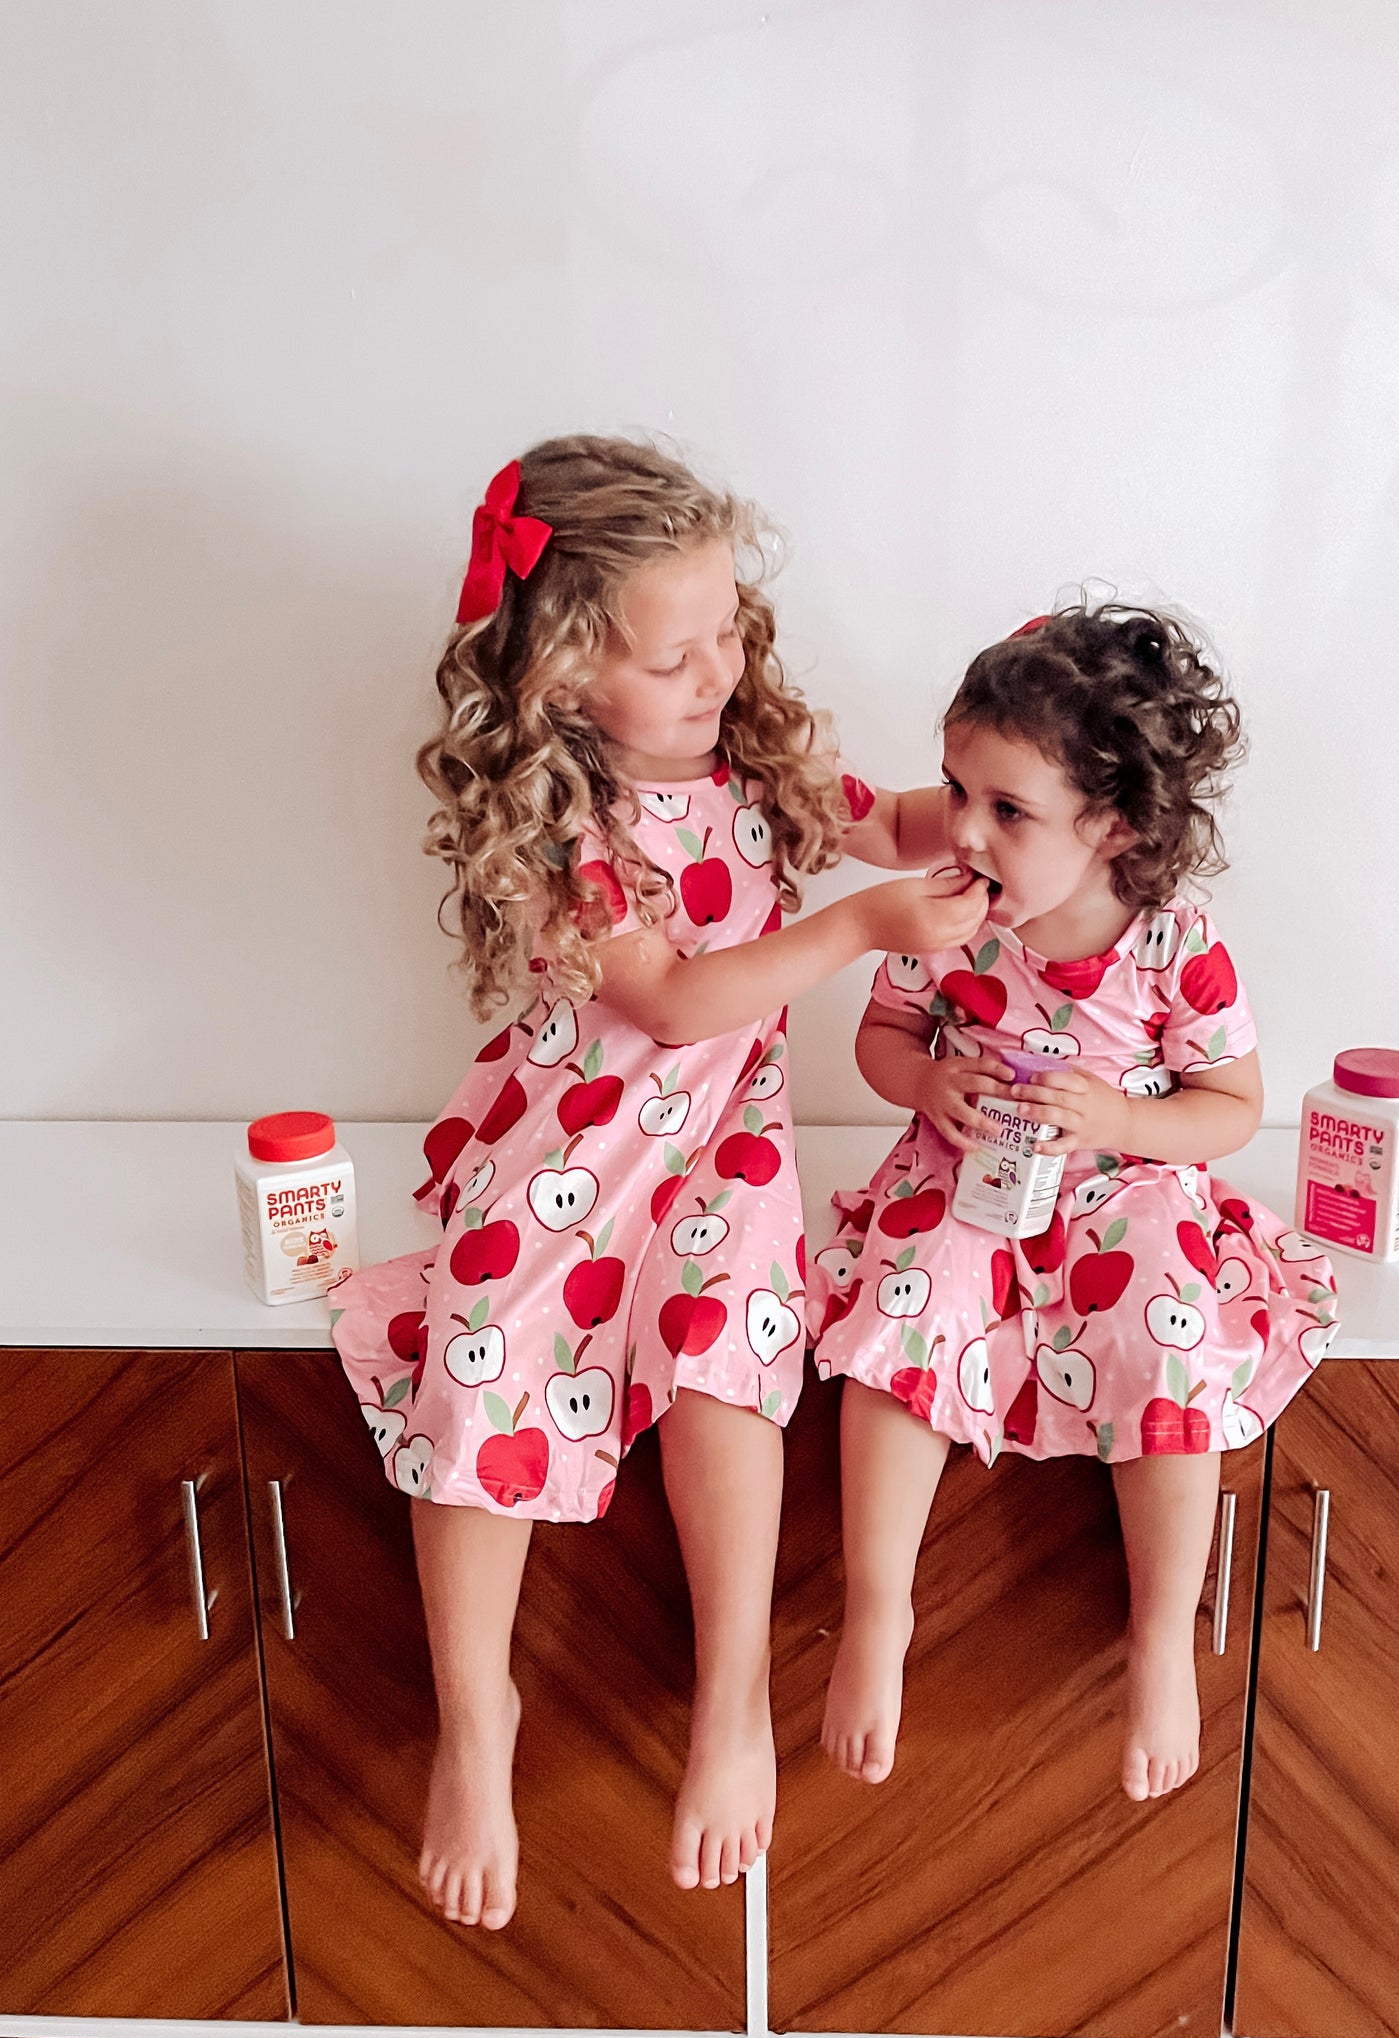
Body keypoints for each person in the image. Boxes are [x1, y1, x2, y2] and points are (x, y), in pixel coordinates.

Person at [330, 434, 986, 1927]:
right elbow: (677, 1001)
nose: (717, 672)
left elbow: (890, 823)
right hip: (572, 1139)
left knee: (723, 1378)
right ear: (561, 674)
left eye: (728, 631)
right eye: (677, 654)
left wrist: (1011, 796)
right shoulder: (570, 813)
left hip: (722, 1146)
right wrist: (862, 930)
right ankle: (474, 1713)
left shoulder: (756, 756)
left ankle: (732, 1702)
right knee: (483, 1359)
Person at [807, 602, 1339, 1802]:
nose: (963, 829)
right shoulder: (945, 909)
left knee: (1169, 1332)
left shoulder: (1171, 939)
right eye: (954, 789)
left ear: (1112, 824)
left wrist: (1127, 1123)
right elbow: (882, 1037)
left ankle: (1161, 1638)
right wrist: (928, 1080)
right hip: (968, 1166)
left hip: (1128, 1184)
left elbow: (1231, 1103)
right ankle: (876, 1613)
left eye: (1007, 810)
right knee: (906, 1311)